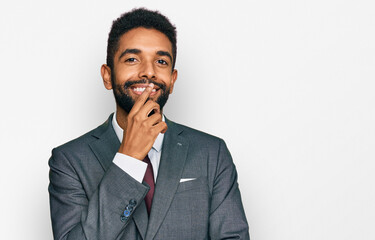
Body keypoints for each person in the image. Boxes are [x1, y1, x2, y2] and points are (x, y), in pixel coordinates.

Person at [48, 8, 249, 240]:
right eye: (132, 59)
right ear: (107, 76)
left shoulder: (212, 153)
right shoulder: (69, 160)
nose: (149, 72)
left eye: (161, 61)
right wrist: (128, 159)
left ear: (172, 81)